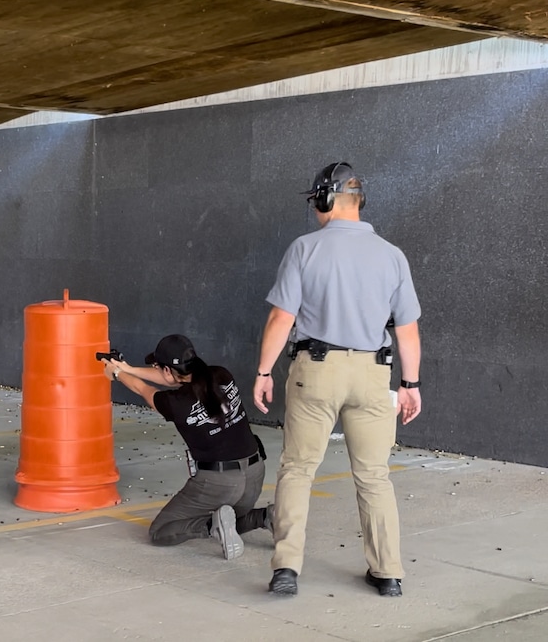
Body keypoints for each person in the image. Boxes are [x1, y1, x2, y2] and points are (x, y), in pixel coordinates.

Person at [252, 161, 423, 598]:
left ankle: (287, 568)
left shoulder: (305, 249)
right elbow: (407, 329)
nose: (315, 212)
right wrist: (411, 385)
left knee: (298, 469)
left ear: (326, 199)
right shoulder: (392, 255)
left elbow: (280, 318)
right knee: (374, 476)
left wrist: (264, 371)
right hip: (373, 374)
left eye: (315, 203)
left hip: (317, 372)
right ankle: (387, 573)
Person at [103, 334, 272, 560]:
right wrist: (127, 368)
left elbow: (143, 389)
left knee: (161, 531)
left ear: (167, 370)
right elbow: (168, 379)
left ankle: (213, 525)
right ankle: (266, 517)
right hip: (254, 474)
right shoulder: (221, 375)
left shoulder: (176, 403)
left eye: (157, 367)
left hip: (218, 483)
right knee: (232, 519)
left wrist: (116, 374)